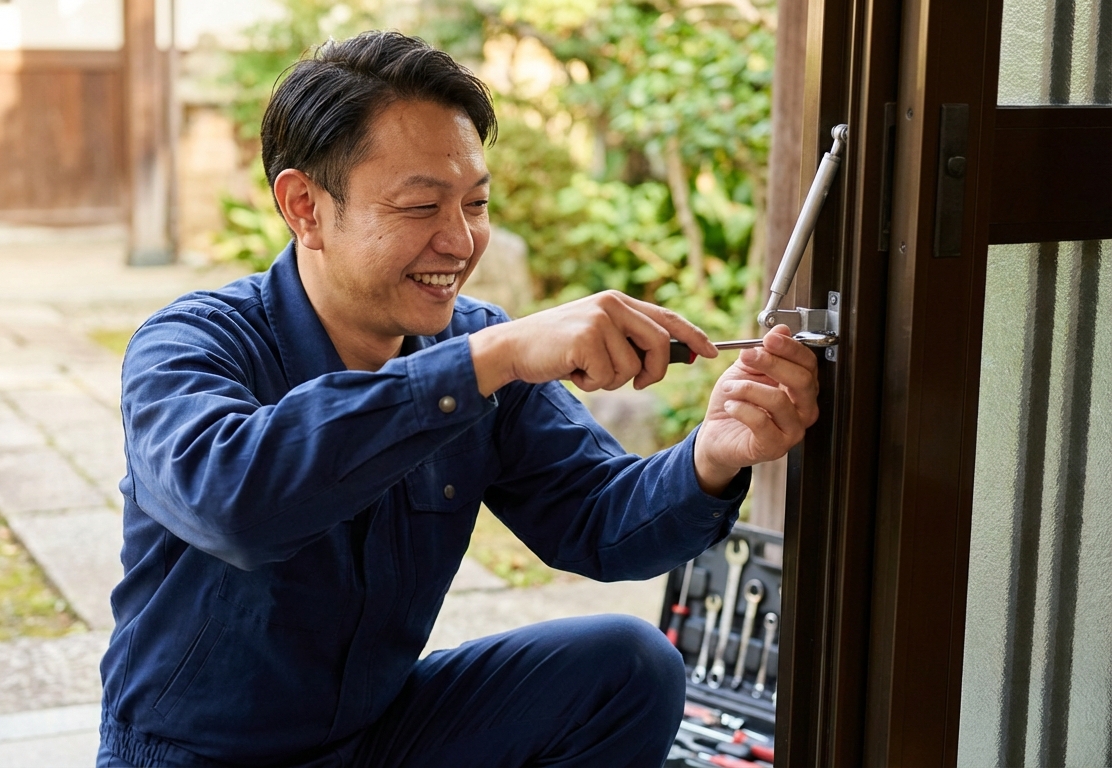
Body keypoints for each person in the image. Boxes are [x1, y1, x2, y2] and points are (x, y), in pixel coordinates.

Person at [98, 30, 818, 768]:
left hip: (377, 740)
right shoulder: (189, 343)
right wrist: (488, 362)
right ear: (304, 207)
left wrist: (713, 453)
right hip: (196, 756)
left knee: (627, 666)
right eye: (421, 207)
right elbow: (235, 501)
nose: (461, 241)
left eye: (474, 203)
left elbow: (600, 520)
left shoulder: (475, 347)